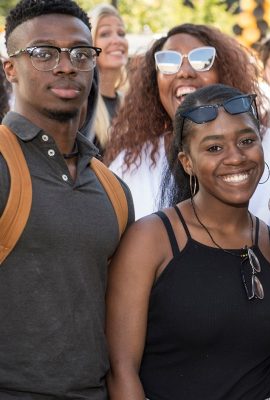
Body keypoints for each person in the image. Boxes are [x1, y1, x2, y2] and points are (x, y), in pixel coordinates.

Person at [106, 84, 270, 399]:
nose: (236, 157)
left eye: (247, 141)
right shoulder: (151, 240)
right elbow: (121, 370)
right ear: (187, 162)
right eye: (213, 148)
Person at [0, 0, 134, 397]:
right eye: (43, 53)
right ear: (10, 68)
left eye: (80, 53)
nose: (65, 65)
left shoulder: (113, 188)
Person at [105, 23, 270, 224]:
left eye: (202, 60)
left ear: (224, 73)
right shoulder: (131, 164)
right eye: (168, 61)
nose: (185, 71)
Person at [86, 4, 128, 155]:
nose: (117, 40)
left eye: (121, 33)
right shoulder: (83, 107)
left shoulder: (130, 104)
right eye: (104, 34)